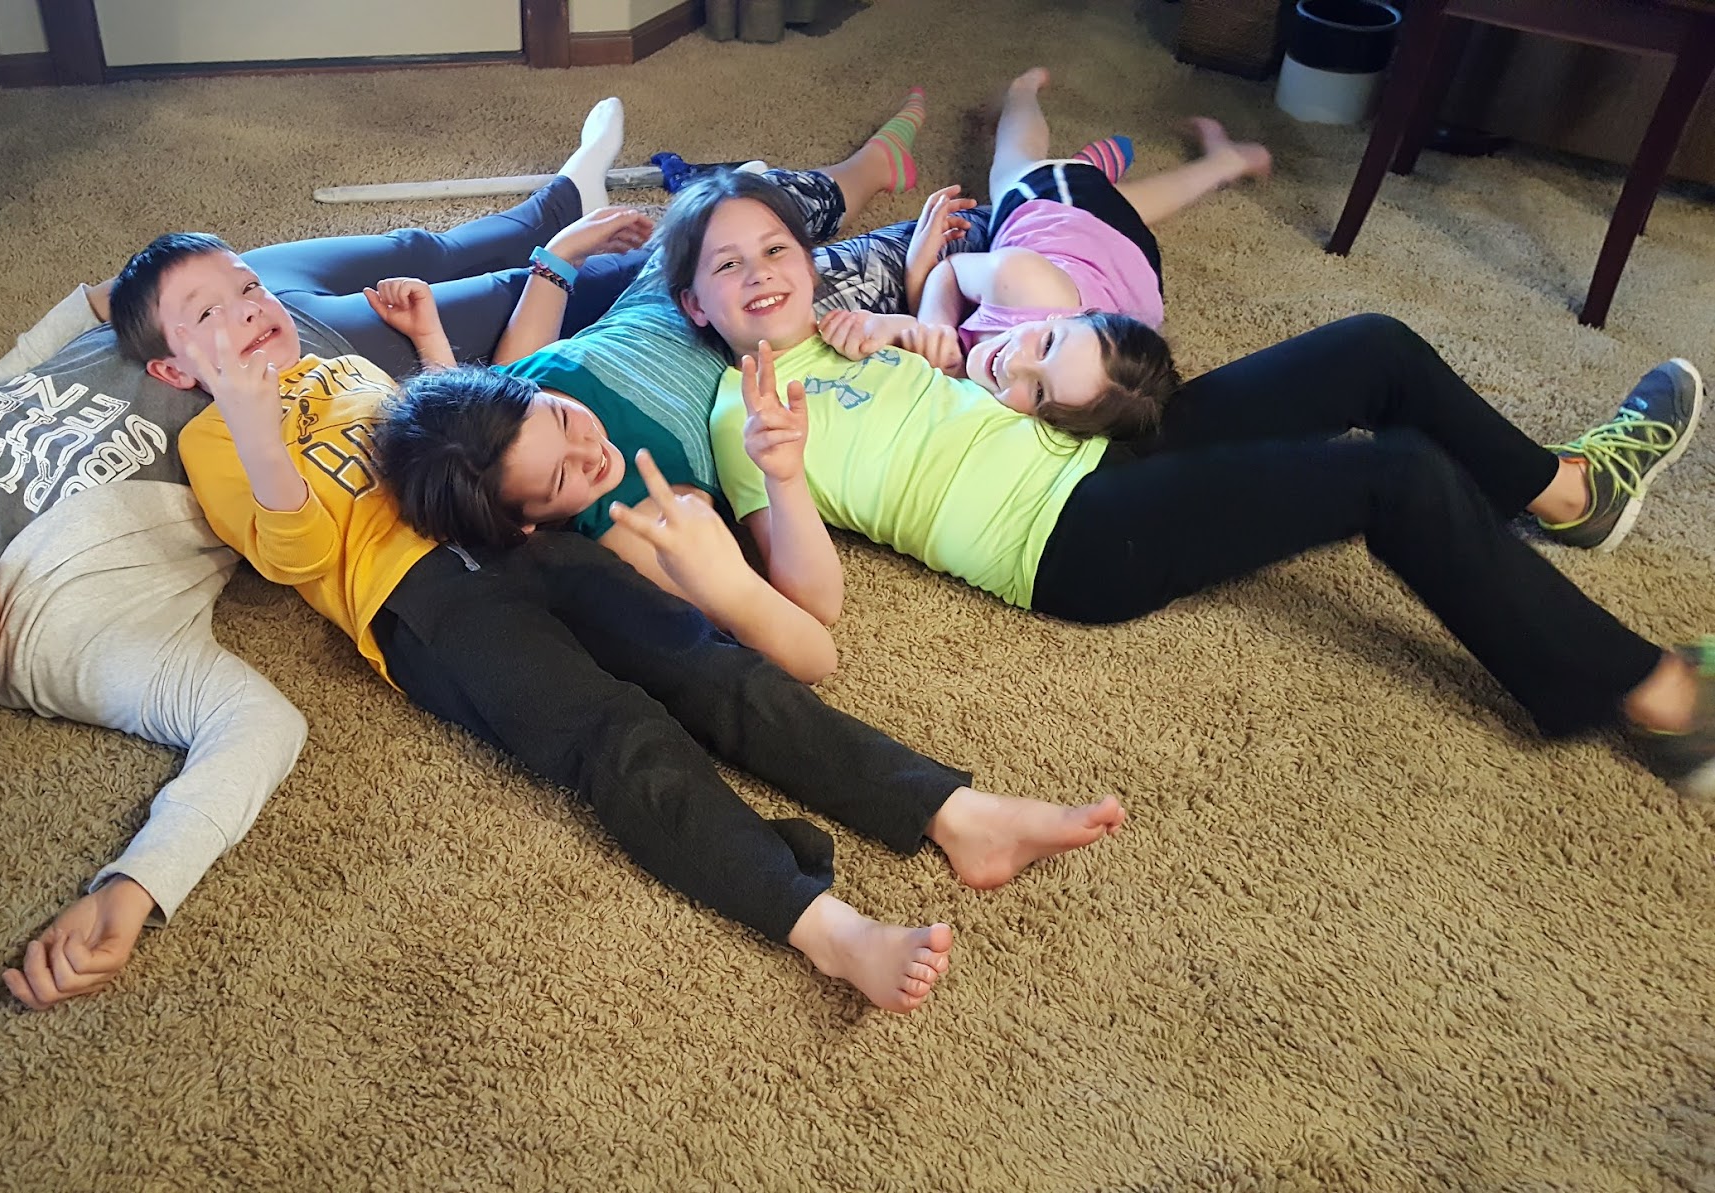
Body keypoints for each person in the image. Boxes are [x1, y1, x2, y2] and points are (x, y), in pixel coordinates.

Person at [0, 100, 650, 1011]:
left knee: (427, 244)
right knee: (540, 285)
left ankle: (569, 183)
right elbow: (254, 725)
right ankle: (620, 239)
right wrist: (137, 883)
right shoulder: (66, 651)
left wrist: (91, 304)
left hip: (196, 310)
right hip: (309, 379)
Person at [108, 222, 1127, 1015]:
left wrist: (424, 342)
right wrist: (251, 419)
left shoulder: (344, 370)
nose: (247, 310)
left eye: (247, 286)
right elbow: (289, 554)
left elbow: (451, 427)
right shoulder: (214, 439)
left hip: (514, 532)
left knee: (707, 661)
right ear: (172, 370)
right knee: (616, 734)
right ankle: (826, 927)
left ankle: (952, 811)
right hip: (421, 601)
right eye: (208, 313)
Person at [649, 167, 1710, 794]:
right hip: (1067, 535)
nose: (760, 273)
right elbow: (811, 604)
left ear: (808, 257)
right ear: (695, 304)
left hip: (1089, 448)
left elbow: (959, 363)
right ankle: (1655, 696)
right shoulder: (748, 417)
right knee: (1392, 476)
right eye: (727, 266)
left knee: (1373, 347)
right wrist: (785, 478)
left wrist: (918, 307)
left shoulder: (850, 329)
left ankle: (1567, 495)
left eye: (774, 248)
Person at [373, 90, 1034, 670]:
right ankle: (1023, 199)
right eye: (561, 478)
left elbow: (504, 377)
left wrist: (556, 259)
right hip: (769, 333)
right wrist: (730, 586)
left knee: (753, 203)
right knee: (940, 243)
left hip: (673, 283)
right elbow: (805, 638)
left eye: (565, 417)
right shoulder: (638, 522)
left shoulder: (517, 408)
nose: (589, 448)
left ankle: (866, 169)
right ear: (527, 526)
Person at [857, 66, 1270, 440]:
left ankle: (1225, 161)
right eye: (1046, 345)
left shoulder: (1074, 403)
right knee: (1013, 167)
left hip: (1136, 271)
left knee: (1130, 206)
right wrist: (932, 320)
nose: (1013, 364)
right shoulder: (1020, 280)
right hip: (1060, 208)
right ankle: (1021, 93)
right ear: (1062, 319)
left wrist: (936, 349)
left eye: (1038, 392)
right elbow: (950, 270)